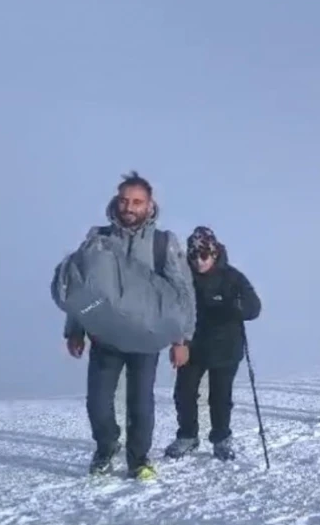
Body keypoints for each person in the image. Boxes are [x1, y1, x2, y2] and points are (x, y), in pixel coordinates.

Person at [56, 172, 196, 480]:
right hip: (105, 337)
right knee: (97, 403)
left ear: (149, 206)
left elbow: (184, 292)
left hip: (147, 339)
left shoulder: (163, 243)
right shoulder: (98, 239)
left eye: (136, 202)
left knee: (141, 405)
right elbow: (83, 288)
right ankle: (106, 446)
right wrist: (75, 329)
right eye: (124, 200)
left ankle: (138, 459)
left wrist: (181, 339)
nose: (129, 207)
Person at [164, 227, 262, 461]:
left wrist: (236, 306)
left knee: (220, 397)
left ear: (214, 253)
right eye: (193, 256)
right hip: (192, 347)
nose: (198, 261)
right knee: (184, 393)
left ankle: (221, 439)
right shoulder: (183, 280)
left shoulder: (233, 277)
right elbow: (171, 310)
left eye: (204, 255)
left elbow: (254, 308)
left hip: (226, 347)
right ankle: (187, 436)